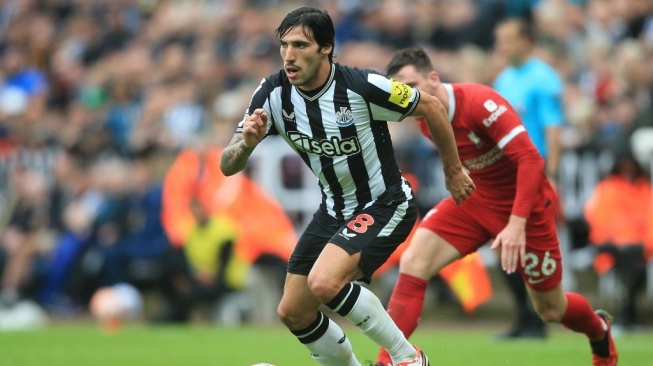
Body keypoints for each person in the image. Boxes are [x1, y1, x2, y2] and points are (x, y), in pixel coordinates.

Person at [219, 7, 474, 366]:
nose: (289, 55)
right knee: (293, 311)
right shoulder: (273, 93)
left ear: (326, 48)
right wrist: (246, 143)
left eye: (301, 45)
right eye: (284, 45)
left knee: (324, 282)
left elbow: (430, 106)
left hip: (386, 204)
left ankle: (409, 359)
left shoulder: (362, 86)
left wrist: (453, 170)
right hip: (333, 212)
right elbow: (227, 165)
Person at [374, 47, 617, 366]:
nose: (409, 96)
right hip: (476, 201)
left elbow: (530, 159)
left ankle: (599, 331)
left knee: (551, 310)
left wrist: (516, 224)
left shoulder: (479, 103)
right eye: (402, 91)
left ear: (434, 78)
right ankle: (388, 360)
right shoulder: (424, 118)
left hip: (525, 209)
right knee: (414, 261)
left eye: (413, 85)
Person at [491, 17, 565, 339]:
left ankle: (539, 317)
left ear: (525, 41)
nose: (501, 47)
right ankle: (525, 316)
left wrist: (553, 174)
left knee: (530, 247)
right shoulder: (504, 78)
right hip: (505, 174)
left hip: (533, 172)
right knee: (503, 247)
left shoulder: (543, 79)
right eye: (499, 40)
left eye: (507, 40)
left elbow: (553, 128)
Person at [584, 152, 652, 332]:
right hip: (612, 246)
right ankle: (621, 317)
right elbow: (600, 219)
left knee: (636, 273)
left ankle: (627, 317)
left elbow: (649, 220)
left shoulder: (644, 189)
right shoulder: (608, 188)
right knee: (624, 273)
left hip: (638, 248)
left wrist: (644, 244)